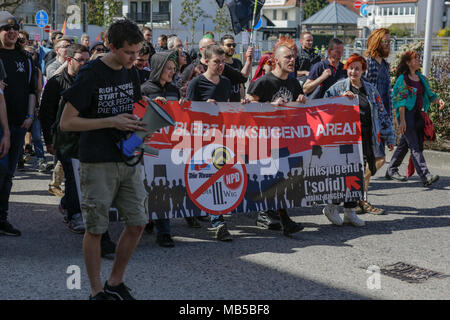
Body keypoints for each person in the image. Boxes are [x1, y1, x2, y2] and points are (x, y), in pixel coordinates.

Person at [60, 19, 150, 300]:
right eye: (129, 53)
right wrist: (112, 121)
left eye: (138, 52)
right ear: (112, 47)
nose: (135, 59)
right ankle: (97, 291)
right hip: (96, 160)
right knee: (96, 229)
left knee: (137, 223)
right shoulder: (91, 73)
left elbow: (132, 109)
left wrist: (140, 126)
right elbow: (67, 123)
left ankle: (116, 282)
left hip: (126, 157)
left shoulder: (131, 72)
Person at [323, 53, 396, 226]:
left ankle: (349, 211)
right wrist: (341, 100)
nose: (354, 71)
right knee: (344, 175)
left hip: (366, 139)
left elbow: (382, 112)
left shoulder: (370, 89)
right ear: (346, 69)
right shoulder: (338, 88)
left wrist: (389, 136)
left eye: (357, 68)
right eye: (350, 68)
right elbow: (324, 108)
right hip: (344, 140)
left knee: (357, 176)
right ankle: (332, 206)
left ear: (363, 70)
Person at [246, 40, 306, 236]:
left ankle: (277, 216)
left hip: (284, 138)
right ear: (276, 60)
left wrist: (301, 102)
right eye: (288, 57)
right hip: (263, 139)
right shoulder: (263, 82)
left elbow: (298, 111)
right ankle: (276, 217)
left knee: (279, 179)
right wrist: (270, 105)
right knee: (270, 178)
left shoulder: (294, 82)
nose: (292, 60)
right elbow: (248, 109)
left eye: (293, 57)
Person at [141, 50, 198, 247]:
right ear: (158, 68)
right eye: (168, 69)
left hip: (171, 146)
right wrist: (150, 103)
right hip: (151, 146)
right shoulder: (145, 89)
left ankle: (161, 229)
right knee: (153, 184)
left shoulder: (174, 89)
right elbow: (137, 110)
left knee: (162, 184)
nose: (172, 72)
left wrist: (182, 106)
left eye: (174, 69)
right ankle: (157, 226)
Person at [185, 44, 234, 241]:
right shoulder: (196, 83)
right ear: (206, 61)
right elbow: (186, 112)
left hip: (220, 138)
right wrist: (202, 108)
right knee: (201, 176)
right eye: (216, 62)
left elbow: (230, 107)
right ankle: (194, 212)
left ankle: (218, 222)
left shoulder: (226, 82)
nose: (221, 65)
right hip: (199, 138)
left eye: (223, 62)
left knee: (217, 177)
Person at [0, 11, 37, 236]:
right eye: (6, 28)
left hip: (18, 125)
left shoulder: (25, 59)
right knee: (1, 173)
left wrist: (30, 116)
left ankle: (2, 218)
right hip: (0, 127)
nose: (12, 32)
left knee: (9, 176)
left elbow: (32, 90)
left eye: (15, 28)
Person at [385, 51, 445, 187]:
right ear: (408, 62)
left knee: (404, 145)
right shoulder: (403, 79)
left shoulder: (420, 78)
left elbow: (429, 95)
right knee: (414, 146)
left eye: (418, 58)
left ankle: (391, 169)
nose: (419, 60)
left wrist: (439, 100)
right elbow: (400, 101)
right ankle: (425, 176)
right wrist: (403, 121)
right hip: (406, 115)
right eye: (415, 58)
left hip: (418, 115)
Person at [360, 28, 395, 214]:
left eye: (389, 41)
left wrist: (390, 121)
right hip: (368, 119)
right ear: (376, 42)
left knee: (379, 159)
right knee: (375, 159)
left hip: (382, 119)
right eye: (385, 41)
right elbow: (360, 89)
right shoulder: (367, 63)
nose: (388, 44)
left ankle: (358, 196)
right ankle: (361, 199)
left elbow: (387, 95)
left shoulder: (386, 65)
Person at [219, 34, 253, 102]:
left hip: (237, 104)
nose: (232, 47)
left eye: (234, 45)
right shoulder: (220, 65)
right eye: (228, 45)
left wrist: (243, 98)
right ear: (221, 47)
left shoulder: (238, 62)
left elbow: (241, 84)